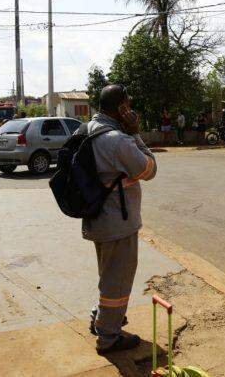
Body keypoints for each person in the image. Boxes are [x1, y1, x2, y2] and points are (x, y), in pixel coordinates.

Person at [83, 84, 158, 354]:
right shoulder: (118, 139)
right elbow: (150, 169)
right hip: (118, 222)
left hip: (96, 218)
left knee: (109, 276)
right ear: (122, 108)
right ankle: (109, 337)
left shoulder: (88, 129)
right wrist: (136, 134)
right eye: (128, 104)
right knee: (118, 280)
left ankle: (102, 318)